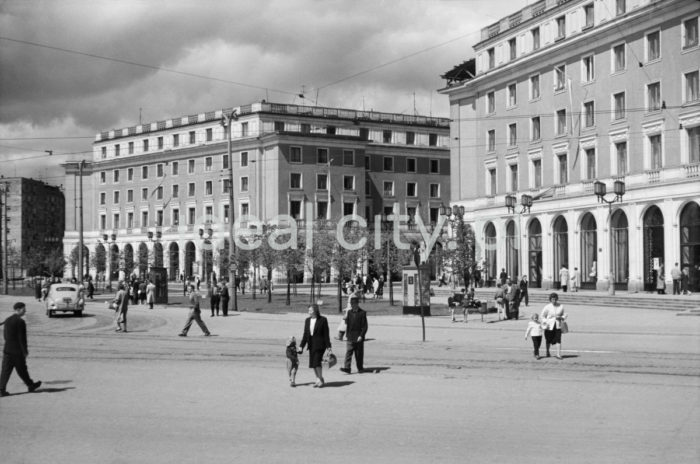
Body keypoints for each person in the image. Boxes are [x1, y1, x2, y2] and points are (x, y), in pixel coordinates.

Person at [0, 302, 42, 397]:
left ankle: (1, 389)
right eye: (23, 309)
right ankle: (30, 385)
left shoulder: (8, 320)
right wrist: (25, 351)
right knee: (22, 369)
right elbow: (22, 338)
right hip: (17, 352)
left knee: (6, 371)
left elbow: (5, 336)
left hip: (7, 350)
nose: (25, 311)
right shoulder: (20, 322)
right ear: (18, 310)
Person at [299, 304, 331, 387]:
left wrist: (328, 347)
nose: (309, 312)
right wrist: (301, 346)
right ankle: (318, 378)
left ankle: (320, 379)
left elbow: (326, 334)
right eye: (308, 310)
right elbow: (305, 334)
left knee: (317, 362)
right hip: (311, 344)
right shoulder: (307, 320)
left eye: (311, 310)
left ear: (316, 310)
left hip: (320, 344)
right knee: (313, 363)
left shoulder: (323, 320)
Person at [340, 295, 368, 374]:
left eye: (353, 304)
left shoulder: (362, 313)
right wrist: (345, 335)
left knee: (358, 354)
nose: (352, 305)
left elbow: (365, 327)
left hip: (358, 336)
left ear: (357, 304)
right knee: (348, 352)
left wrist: (361, 336)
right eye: (351, 304)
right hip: (350, 336)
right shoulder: (349, 312)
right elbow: (347, 324)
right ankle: (347, 368)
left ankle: (360, 368)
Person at [541, 292, 567, 359]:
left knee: (558, 339)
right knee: (548, 339)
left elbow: (564, 314)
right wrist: (546, 322)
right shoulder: (547, 307)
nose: (554, 301)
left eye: (555, 299)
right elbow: (542, 316)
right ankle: (547, 352)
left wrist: (562, 317)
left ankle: (558, 354)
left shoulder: (561, 306)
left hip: (558, 325)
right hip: (549, 325)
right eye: (552, 299)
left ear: (557, 299)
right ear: (550, 299)